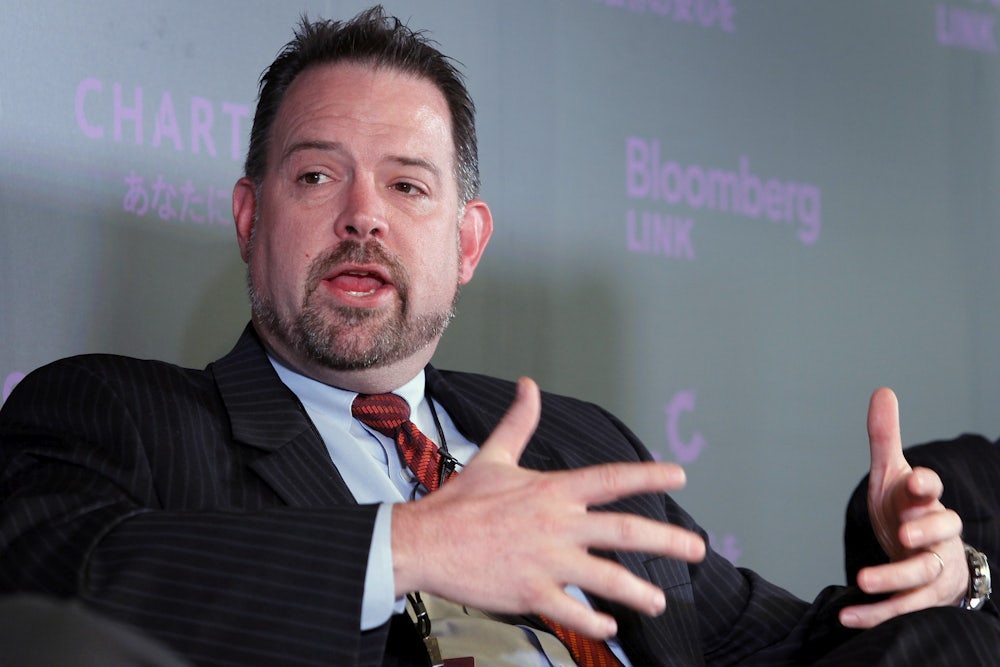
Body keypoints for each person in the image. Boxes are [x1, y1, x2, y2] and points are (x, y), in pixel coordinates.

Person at [1, 6, 996, 666]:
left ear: (467, 241)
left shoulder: (580, 445)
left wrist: (939, 582)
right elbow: (55, 577)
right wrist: (407, 546)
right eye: (315, 176)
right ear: (249, 218)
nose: (363, 217)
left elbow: (784, 650)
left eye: (407, 184)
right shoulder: (117, 414)